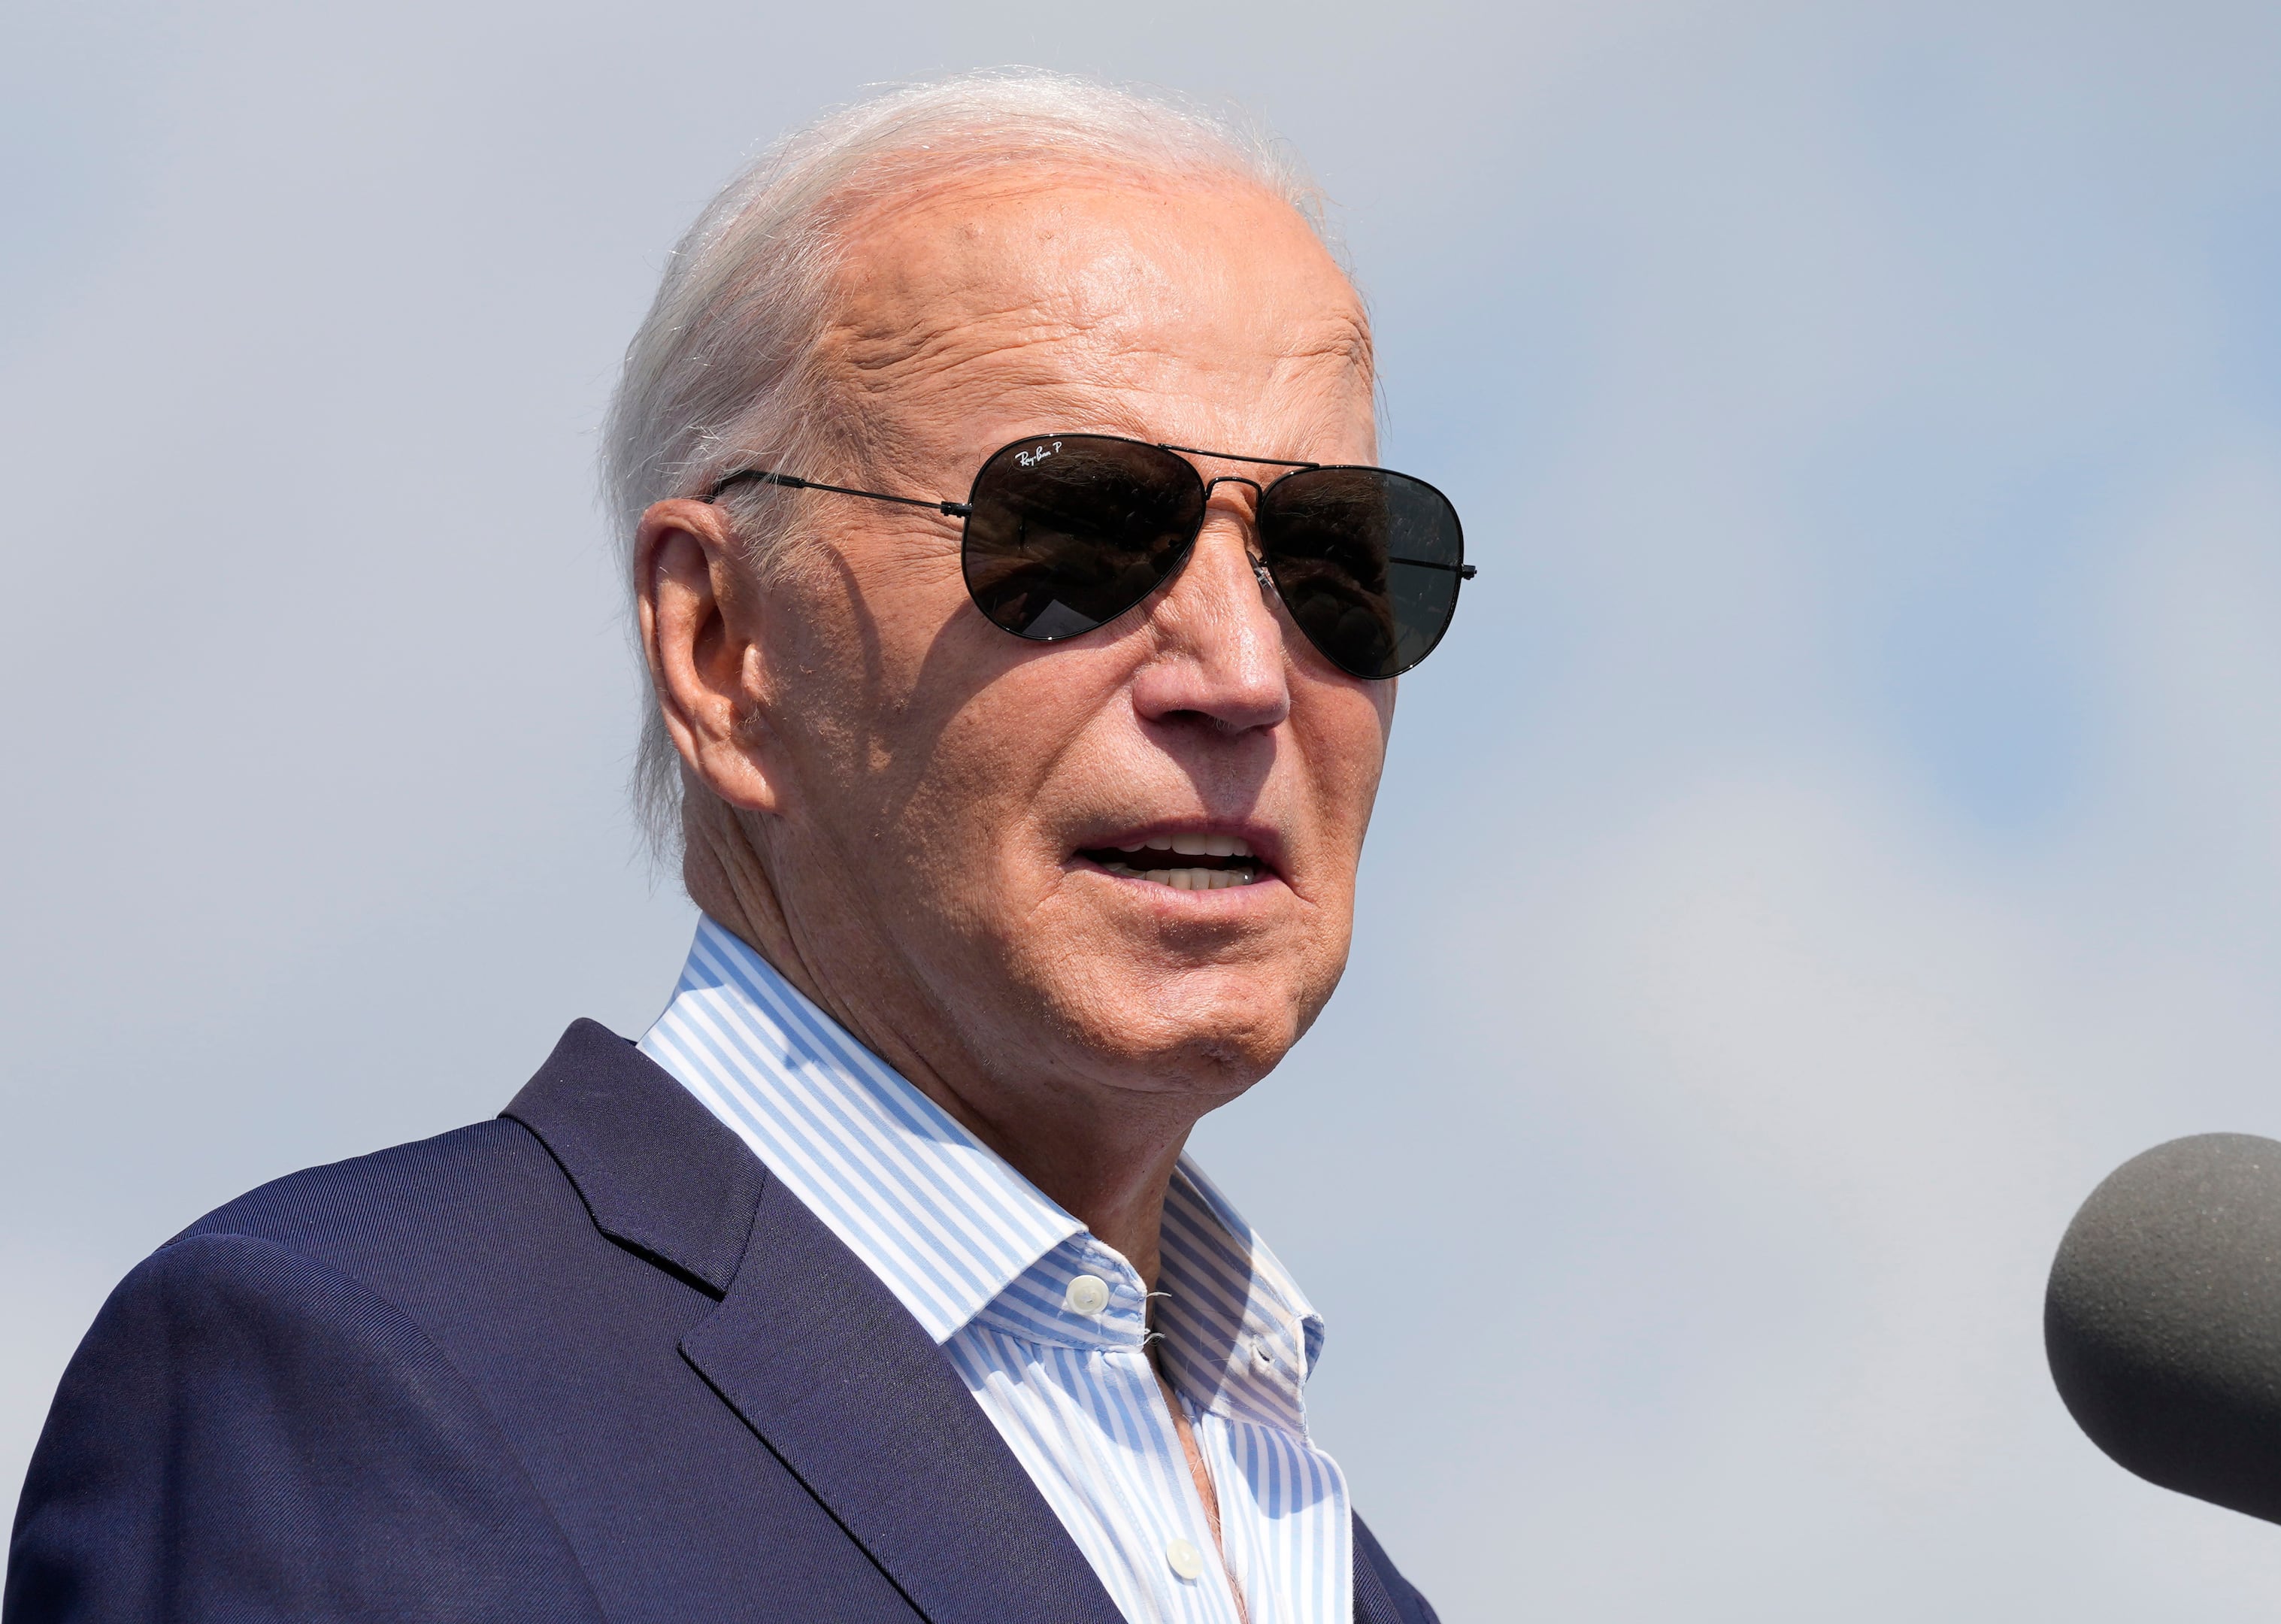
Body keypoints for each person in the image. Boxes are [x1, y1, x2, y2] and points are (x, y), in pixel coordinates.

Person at [5, 71, 1467, 1624]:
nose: (1242, 672)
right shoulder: (353, 1387)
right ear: (718, 644)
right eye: (1080, 539)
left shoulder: (1345, 1574)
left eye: (1336, 559)